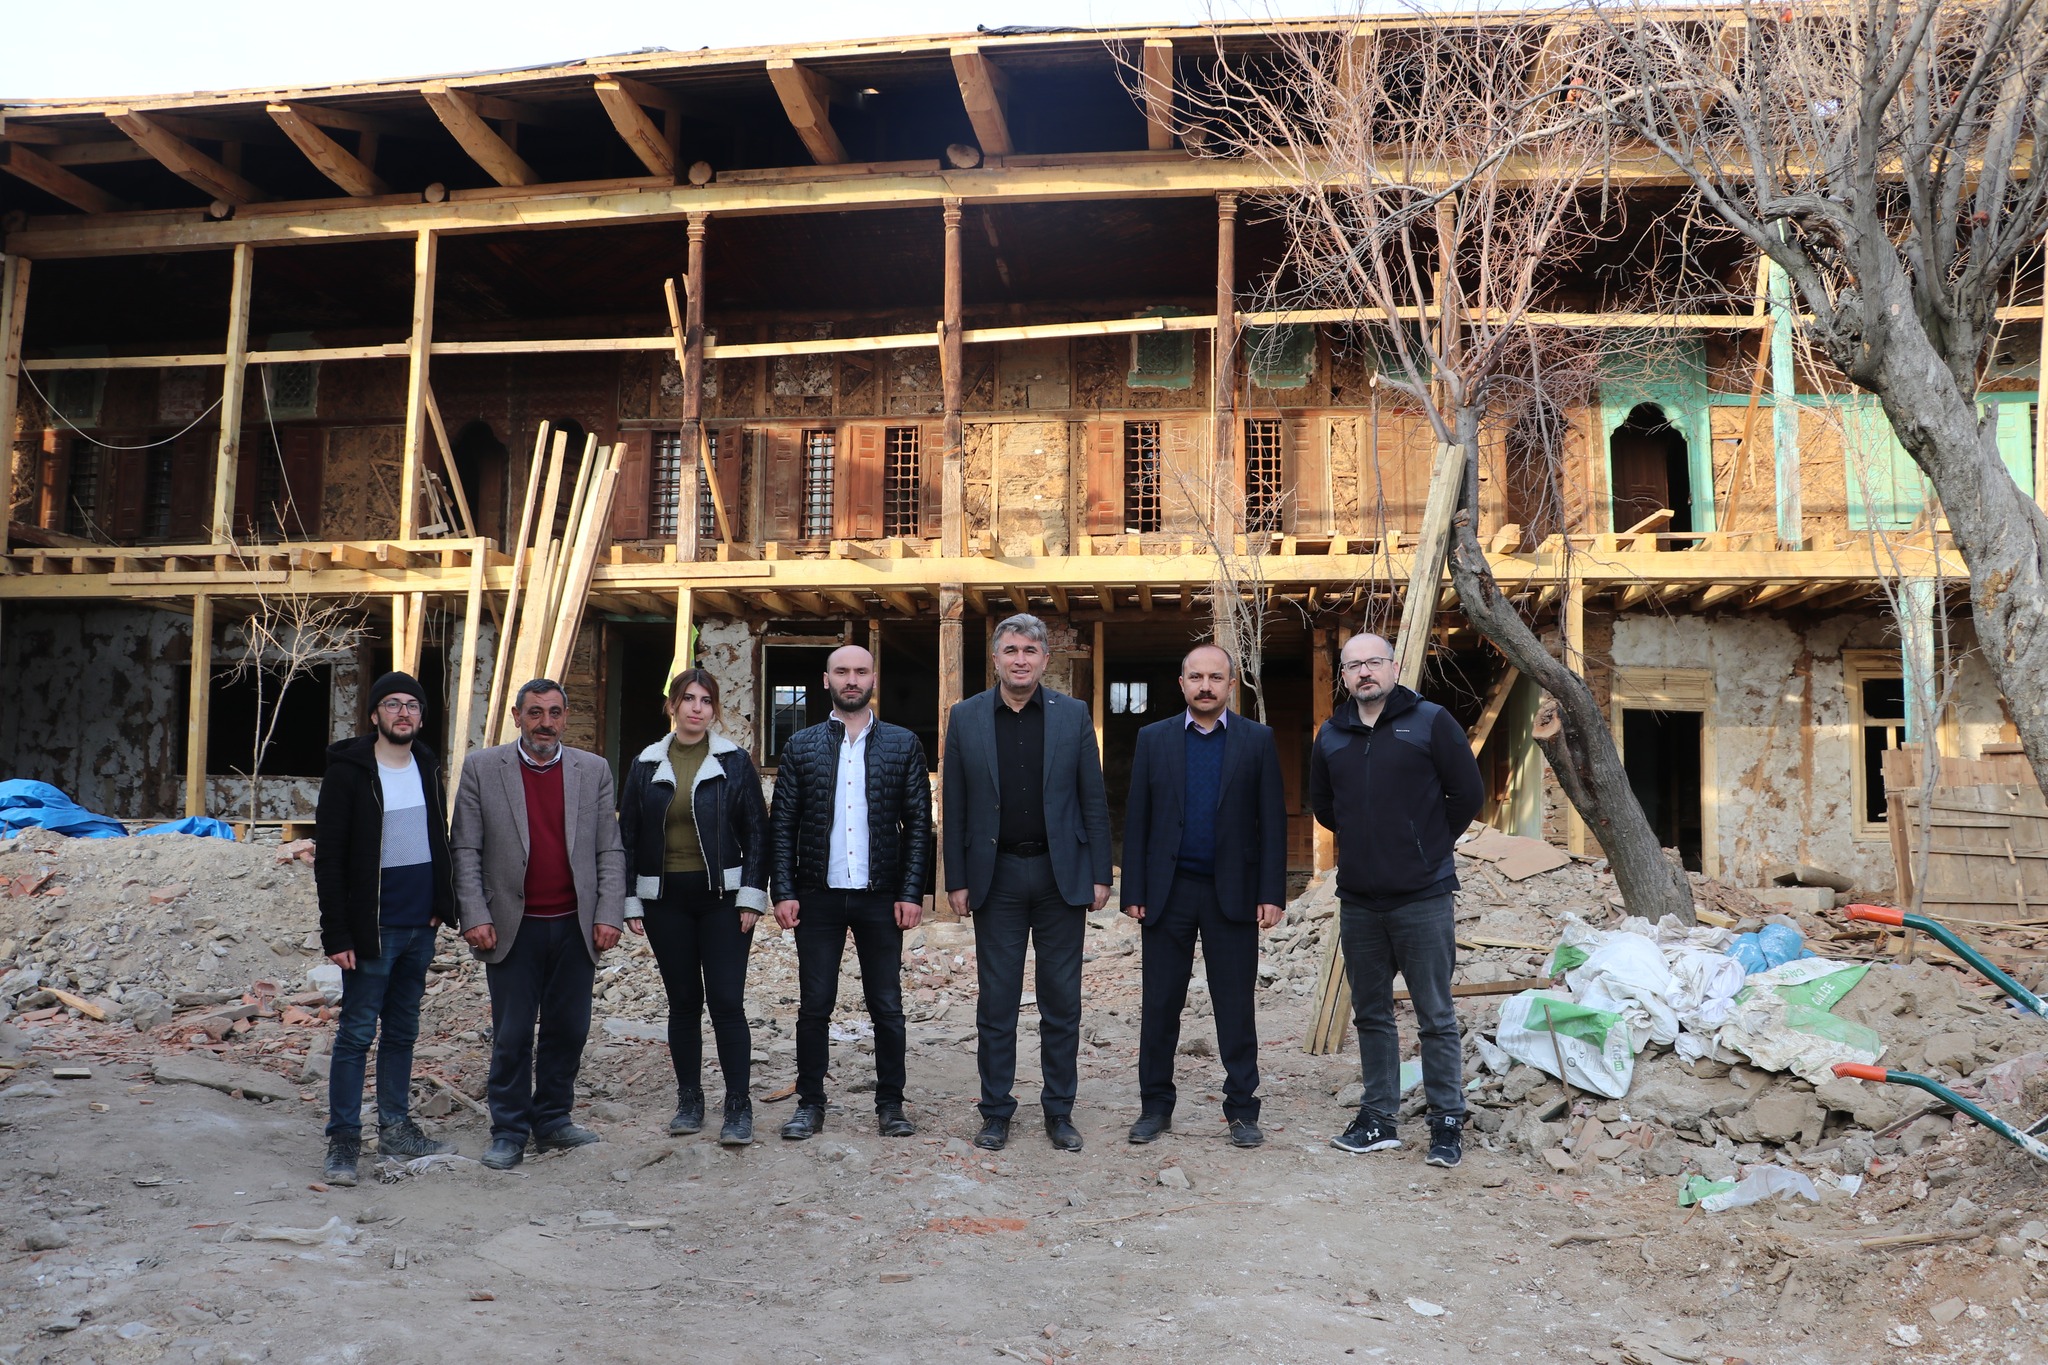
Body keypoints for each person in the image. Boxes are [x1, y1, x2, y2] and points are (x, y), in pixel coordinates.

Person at [1309, 632, 1484, 1168]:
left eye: (1374, 662)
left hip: (1423, 896)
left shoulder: (1430, 721)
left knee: (1435, 1013)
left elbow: (1467, 794)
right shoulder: (1331, 734)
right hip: (1360, 900)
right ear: (1344, 676)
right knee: (1372, 1013)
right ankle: (1378, 1119)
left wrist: (1424, 845)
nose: (1365, 672)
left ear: (1394, 666)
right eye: (1353, 665)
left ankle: (1446, 1122)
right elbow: (1324, 806)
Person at [942, 613, 1111, 1153]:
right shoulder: (966, 716)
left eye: (1030, 651)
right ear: (995, 657)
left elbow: (1092, 798)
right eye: (1011, 650)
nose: (1020, 660)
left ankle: (1059, 1111)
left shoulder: (1072, 714)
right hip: (996, 876)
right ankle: (996, 1112)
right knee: (997, 1003)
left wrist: (1100, 873)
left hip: (1061, 875)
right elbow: (955, 802)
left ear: (1044, 659)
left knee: (1061, 1002)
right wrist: (956, 879)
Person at [452, 678, 627, 1171]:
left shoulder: (592, 769)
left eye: (554, 712)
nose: (544, 723)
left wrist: (608, 912)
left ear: (565, 717)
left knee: (568, 1029)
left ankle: (552, 1120)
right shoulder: (483, 768)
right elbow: (465, 847)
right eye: (535, 712)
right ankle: (508, 1130)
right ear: (517, 717)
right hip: (512, 925)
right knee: (512, 1034)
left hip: (575, 924)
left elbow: (609, 848)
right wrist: (474, 913)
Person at [1119, 644, 1287, 1149]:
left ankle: (1242, 1110)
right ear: (1182, 683)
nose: (1206, 686)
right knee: (1160, 1005)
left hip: (1231, 894)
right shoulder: (1154, 739)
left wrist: (1271, 892)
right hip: (1167, 893)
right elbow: (1138, 818)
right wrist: (1134, 889)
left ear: (1231, 685)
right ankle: (1155, 1107)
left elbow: (1272, 821)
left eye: (1216, 677)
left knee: (1235, 1006)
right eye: (1196, 677)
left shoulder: (1257, 740)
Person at [769, 645, 932, 1141]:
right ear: (827, 680)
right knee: (815, 1005)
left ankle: (891, 1106)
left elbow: (919, 825)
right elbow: (783, 824)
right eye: (842, 671)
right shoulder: (802, 745)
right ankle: (810, 1105)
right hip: (816, 895)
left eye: (861, 671)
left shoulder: (903, 744)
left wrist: (911, 892)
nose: (852, 679)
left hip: (880, 895)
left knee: (887, 1006)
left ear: (873, 678)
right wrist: (783, 889)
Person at [313, 670, 460, 1186]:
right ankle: (344, 1141)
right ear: (375, 714)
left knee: (402, 1032)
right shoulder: (349, 772)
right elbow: (329, 858)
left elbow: (437, 836)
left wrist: (442, 902)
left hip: (420, 925)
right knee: (356, 1034)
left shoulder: (426, 764)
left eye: (412, 705)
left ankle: (396, 1129)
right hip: (372, 929)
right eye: (393, 704)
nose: (404, 713)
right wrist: (337, 933)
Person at [618, 668, 770, 1146]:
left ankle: (738, 1105)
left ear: (714, 709)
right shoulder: (645, 764)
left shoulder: (734, 762)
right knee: (683, 1002)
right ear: (672, 705)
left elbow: (757, 832)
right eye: (688, 698)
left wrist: (752, 895)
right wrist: (630, 900)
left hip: (723, 899)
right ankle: (689, 1100)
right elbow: (627, 836)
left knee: (726, 1002)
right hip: (665, 901)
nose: (697, 708)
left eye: (706, 700)